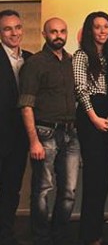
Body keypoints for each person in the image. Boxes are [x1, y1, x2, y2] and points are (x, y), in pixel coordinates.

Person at [18, 17, 79, 245]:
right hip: (45, 133)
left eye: (62, 31)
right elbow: (26, 105)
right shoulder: (35, 63)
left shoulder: (72, 61)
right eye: (53, 31)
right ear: (45, 34)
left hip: (71, 134)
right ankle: (41, 238)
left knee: (69, 191)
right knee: (43, 189)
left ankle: (60, 235)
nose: (58, 35)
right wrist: (33, 141)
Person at [73, 12, 108, 245]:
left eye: (105, 26)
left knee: (104, 179)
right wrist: (95, 118)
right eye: (97, 27)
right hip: (91, 116)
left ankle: (96, 231)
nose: (102, 31)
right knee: (93, 178)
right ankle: (89, 235)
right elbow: (81, 90)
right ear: (89, 30)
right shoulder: (82, 55)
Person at [0, 10, 32, 245]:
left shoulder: (30, 59)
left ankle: (6, 234)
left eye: (17, 27)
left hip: (20, 137)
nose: (14, 33)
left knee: (12, 189)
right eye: (7, 28)